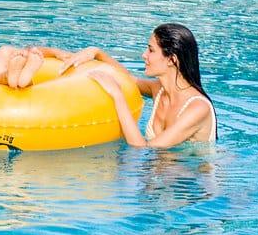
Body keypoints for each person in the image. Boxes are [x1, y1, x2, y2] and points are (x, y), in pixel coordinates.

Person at [84, 23, 216, 148]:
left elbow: (141, 147)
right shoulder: (158, 90)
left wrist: (117, 96)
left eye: (151, 50)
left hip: (190, 170)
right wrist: (97, 53)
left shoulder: (198, 108)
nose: (144, 55)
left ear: (171, 59)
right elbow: (127, 78)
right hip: (159, 168)